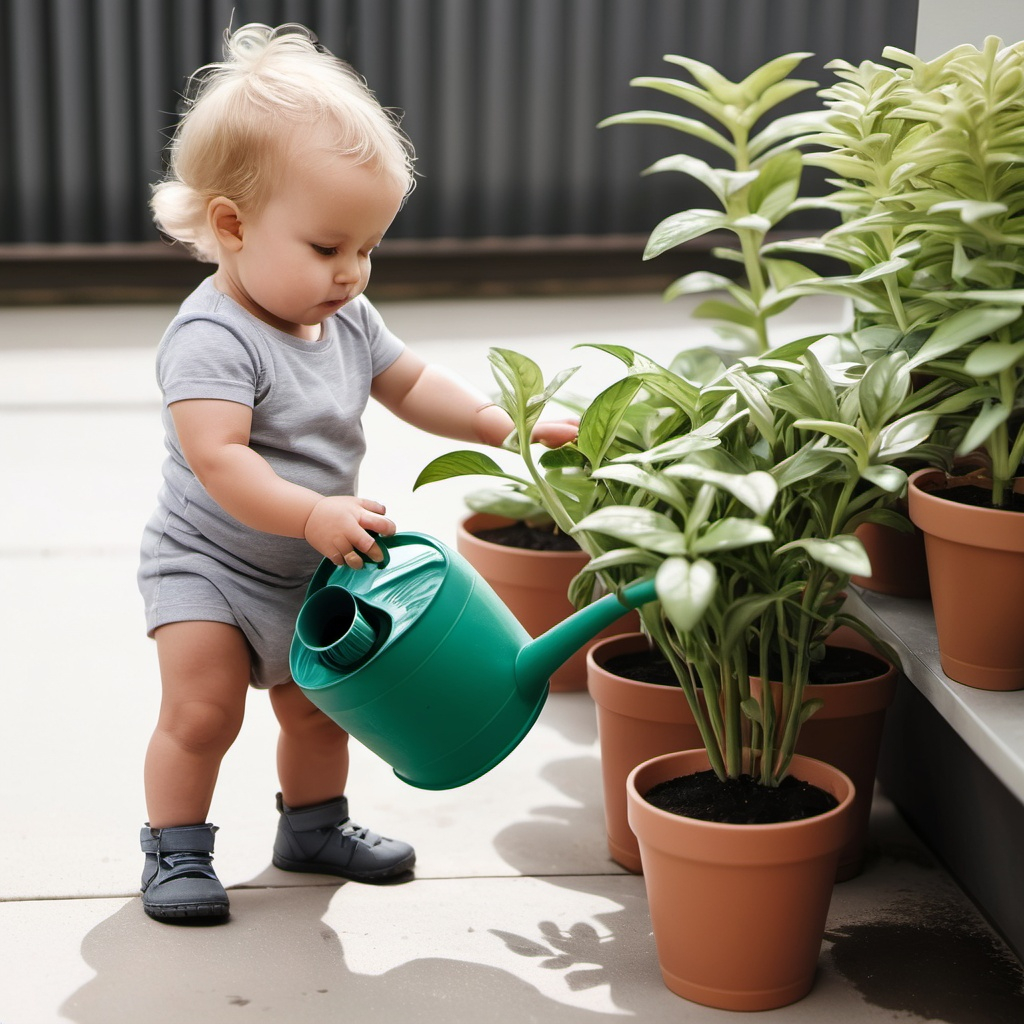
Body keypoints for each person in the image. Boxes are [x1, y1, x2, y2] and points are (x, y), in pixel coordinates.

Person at [137, 22, 577, 922]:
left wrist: (504, 424)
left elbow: (409, 381)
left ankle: (312, 828)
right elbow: (220, 461)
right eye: (328, 248)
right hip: (208, 567)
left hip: (310, 560)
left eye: (368, 247)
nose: (352, 272)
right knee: (204, 713)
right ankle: (175, 851)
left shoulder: (345, 316)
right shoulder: (211, 340)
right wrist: (308, 515)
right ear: (232, 225)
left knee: (316, 713)